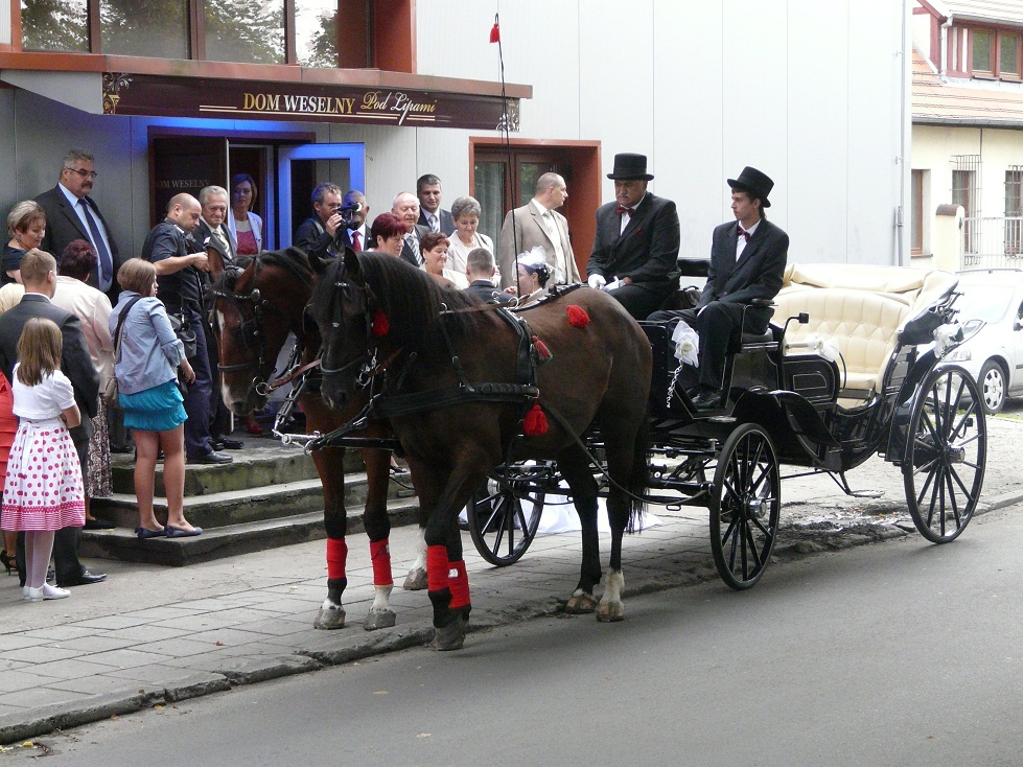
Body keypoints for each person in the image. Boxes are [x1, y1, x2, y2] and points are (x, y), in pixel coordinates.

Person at [0, 248, 104, 589]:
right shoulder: (62, 319)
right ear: (50, 276)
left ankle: (32, 571)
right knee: (67, 490)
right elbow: (83, 371)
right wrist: (89, 408)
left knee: (33, 495)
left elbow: (7, 368)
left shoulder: (4, 321)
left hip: (25, 421)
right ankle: (68, 566)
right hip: (62, 419)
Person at [649, 167, 789, 410]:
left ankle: (710, 389)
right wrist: (703, 303)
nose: (733, 205)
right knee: (657, 319)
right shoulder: (722, 233)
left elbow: (768, 285)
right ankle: (681, 380)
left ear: (756, 203)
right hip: (713, 308)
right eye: (732, 199)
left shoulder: (775, 238)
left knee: (715, 313)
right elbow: (713, 277)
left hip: (749, 312)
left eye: (738, 199)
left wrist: (718, 304)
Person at [110, 259, 201, 539]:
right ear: (143, 283)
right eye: (153, 280)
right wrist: (186, 366)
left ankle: (147, 520)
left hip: (130, 390)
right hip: (159, 387)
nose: (157, 285)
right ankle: (176, 518)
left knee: (145, 455)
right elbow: (170, 341)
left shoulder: (115, 311)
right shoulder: (152, 306)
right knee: (175, 452)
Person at [142, 193, 230, 465]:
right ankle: (198, 446)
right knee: (199, 378)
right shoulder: (168, 232)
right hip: (180, 315)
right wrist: (191, 259)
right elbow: (157, 265)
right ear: (176, 209)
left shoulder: (169, 232)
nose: (197, 222)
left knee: (184, 380)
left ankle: (180, 444)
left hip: (181, 313)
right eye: (194, 216)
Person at [3, 318, 86, 601]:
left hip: (24, 441)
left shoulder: (17, 371)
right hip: (50, 445)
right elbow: (73, 418)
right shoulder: (57, 379)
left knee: (33, 517)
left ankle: (33, 582)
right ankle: (38, 585)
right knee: (48, 518)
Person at [52, 240, 115, 529]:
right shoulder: (93, 297)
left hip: (50, 382)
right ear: (89, 272)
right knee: (87, 448)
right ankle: (84, 511)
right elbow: (109, 339)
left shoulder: (48, 294)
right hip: (88, 380)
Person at [586, 153, 680, 320]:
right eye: (617, 184)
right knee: (575, 297)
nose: (622, 190)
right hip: (611, 284)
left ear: (644, 184)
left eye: (628, 185)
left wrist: (623, 280)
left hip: (650, 285)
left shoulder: (662, 209)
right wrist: (595, 275)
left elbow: (661, 262)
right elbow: (597, 256)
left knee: (610, 301)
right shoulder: (604, 212)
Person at [34, 149, 121, 303]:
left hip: (108, 295)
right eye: (83, 173)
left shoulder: (89, 204)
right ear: (66, 173)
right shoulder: (44, 205)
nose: (89, 179)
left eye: (92, 174)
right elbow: (42, 255)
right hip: (73, 299)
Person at [195, 186, 243, 453]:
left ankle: (220, 431)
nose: (218, 213)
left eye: (223, 208)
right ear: (203, 208)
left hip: (227, 308)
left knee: (224, 368)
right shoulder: (198, 232)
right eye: (213, 208)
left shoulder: (224, 230)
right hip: (208, 310)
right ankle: (209, 433)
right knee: (210, 371)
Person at [499, 172, 580, 290]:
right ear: (550, 190)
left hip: (565, 291)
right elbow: (508, 261)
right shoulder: (517, 216)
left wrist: (577, 287)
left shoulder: (561, 220)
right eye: (562, 190)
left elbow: (569, 259)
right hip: (534, 294)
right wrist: (512, 295)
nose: (566, 194)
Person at [294, 182, 344, 263]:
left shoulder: (339, 228)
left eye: (339, 205)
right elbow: (304, 258)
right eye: (332, 205)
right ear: (317, 206)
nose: (337, 209)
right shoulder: (307, 228)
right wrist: (327, 235)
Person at [446, 196, 495, 278]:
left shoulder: (486, 241)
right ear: (454, 221)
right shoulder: (448, 246)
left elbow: (495, 273)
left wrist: (489, 283)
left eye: (473, 222)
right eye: (464, 223)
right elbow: (450, 278)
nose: (469, 227)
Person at [4, 201, 47, 286]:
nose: (42, 235)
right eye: (35, 230)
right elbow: (34, 287)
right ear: (18, 230)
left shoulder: (29, 247)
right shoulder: (15, 259)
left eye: (43, 229)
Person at [226, 173, 263, 258]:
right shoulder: (224, 219)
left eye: (246, 191)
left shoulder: (257, 220)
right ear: (230, 194)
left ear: (252, 194)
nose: (242, 195)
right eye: (236, 191)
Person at [392, 192, 430, 267]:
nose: (410, 213)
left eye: (414, 209)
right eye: (404, 209)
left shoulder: (426, 232)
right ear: (393, 212)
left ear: (419, 212)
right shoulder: (389, 237)